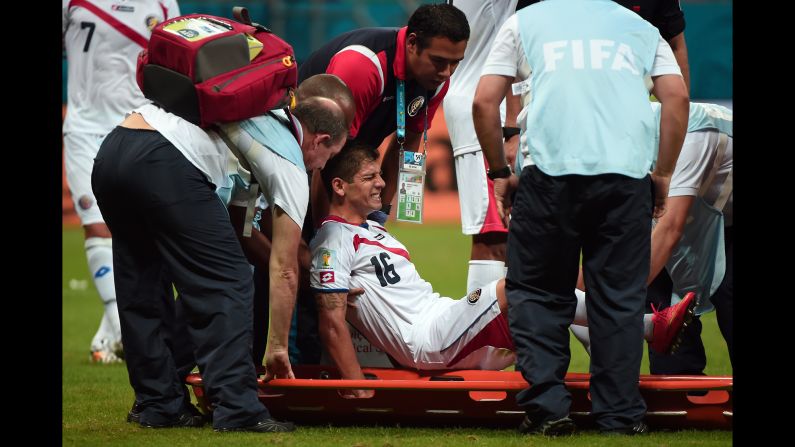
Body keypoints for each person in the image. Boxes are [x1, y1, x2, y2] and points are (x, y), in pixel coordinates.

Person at [308, 144, 694, 398]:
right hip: (426, 339)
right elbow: (331, 319)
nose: (380, 183)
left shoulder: (373, 229)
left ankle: (632, 349)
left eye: (379, 174)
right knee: (523, 283)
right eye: (369, 178)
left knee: (543, 299)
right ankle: (645, 329)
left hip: (441, 318)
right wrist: (354, 387)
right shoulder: (333, 239)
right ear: (339, 187)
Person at [472, 0, 689, 436]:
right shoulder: (640, 26)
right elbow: (677, 97)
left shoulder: (524, 22)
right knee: (619, 299)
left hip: (548, 175)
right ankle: (620, 416)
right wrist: (662, 174)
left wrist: (499, 173)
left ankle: (549, 408)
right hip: (625, 179)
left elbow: (483, 102)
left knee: (537, 293)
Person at [90, 73, 349, 431]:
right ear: (319, 140)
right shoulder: (289, 158)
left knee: (144, 285)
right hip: (167, 161)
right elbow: (285, 268)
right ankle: (239, 409)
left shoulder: (261, 117)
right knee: (229, 283)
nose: (320, 167)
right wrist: (276, 347)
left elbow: (240, 222)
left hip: (116, 148)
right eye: (328, 157)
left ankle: (159, 404)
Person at [62, 0, 180, 364]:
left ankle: (106, 337)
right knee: (97, 226)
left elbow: (175, 62)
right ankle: (126, 332)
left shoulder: (163, 4)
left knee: (138, 233)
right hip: (84, 126)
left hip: (138, 125)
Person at [298, 2, 469, 213]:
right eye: (439, 61)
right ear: (412, 43)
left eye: (455, 63)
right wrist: (323, 228)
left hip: (340, 152)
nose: (447, 72)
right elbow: (323, 153)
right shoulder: (362, 66)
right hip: (303, 156)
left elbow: (406, 144)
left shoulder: (438, 80)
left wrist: (380, 214)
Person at [443, 0, 520, 294]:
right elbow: (514, 47)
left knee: (526, 245)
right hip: (491, 115)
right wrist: (512, 128)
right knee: (495, 240)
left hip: (491, 108)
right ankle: (480, 337)